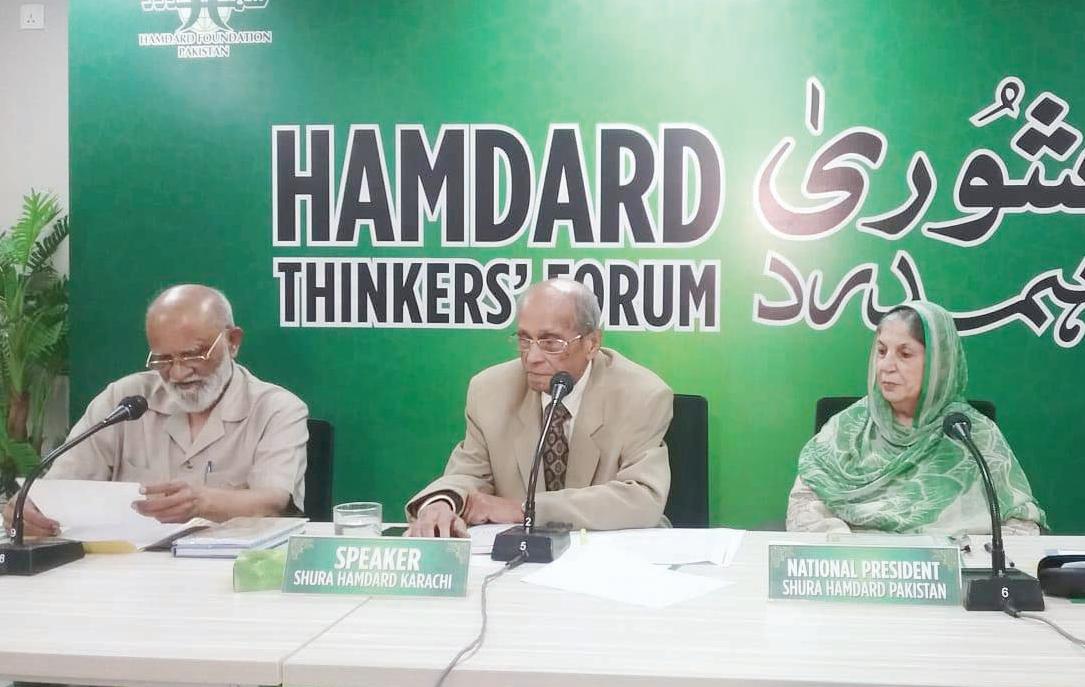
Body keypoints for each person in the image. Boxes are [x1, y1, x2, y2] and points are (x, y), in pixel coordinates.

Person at [4, 284, 308, 536]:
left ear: (232, 342)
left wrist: (203, 502)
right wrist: (30, 506)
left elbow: (274, 502)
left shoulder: (276, 409)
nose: (178, 373)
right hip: (125, 570)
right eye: (163, 359)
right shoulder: (124, 400)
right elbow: (60, 485)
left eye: (193, 355)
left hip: (228, 568)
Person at [406, 278, 673, 538]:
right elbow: (469, 474)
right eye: (524, 340)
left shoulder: (641, 395)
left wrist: (523, 510)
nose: (532, 358)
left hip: (612, 554)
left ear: (591, 343)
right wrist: (443, 503)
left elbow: (642, 498)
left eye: (551, 343)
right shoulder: (489, 391)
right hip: (519, 557)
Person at [786, 301, 1046, 535]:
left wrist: (968, 558)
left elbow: (1021, 525)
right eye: (881, 351)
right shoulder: (847, 427)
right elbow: (804, 506)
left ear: (939, 363)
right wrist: (844, 548)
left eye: (905, 354)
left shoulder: (972, 434)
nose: (886, 366)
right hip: (857, 566)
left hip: (953, 568)